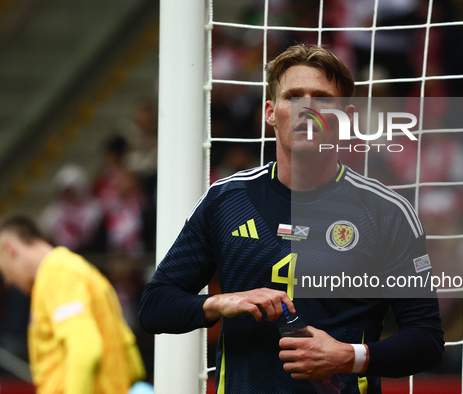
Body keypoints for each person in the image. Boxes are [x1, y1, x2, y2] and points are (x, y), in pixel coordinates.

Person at [139, 44, 444, 393]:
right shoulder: (225, 200)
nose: (307, 109)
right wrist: (221, 302)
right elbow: (154, 306)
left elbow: (427, 340)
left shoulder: (386, 212)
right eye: (293, 96)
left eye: (322, 98)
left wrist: (349, 356)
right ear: (270, 112)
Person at [0, 216, 146, 394]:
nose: (7, 281)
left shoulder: (58, 275)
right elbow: (132, 362)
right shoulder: (82, 271)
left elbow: (85, 349)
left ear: (10, 249)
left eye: (3, 270)